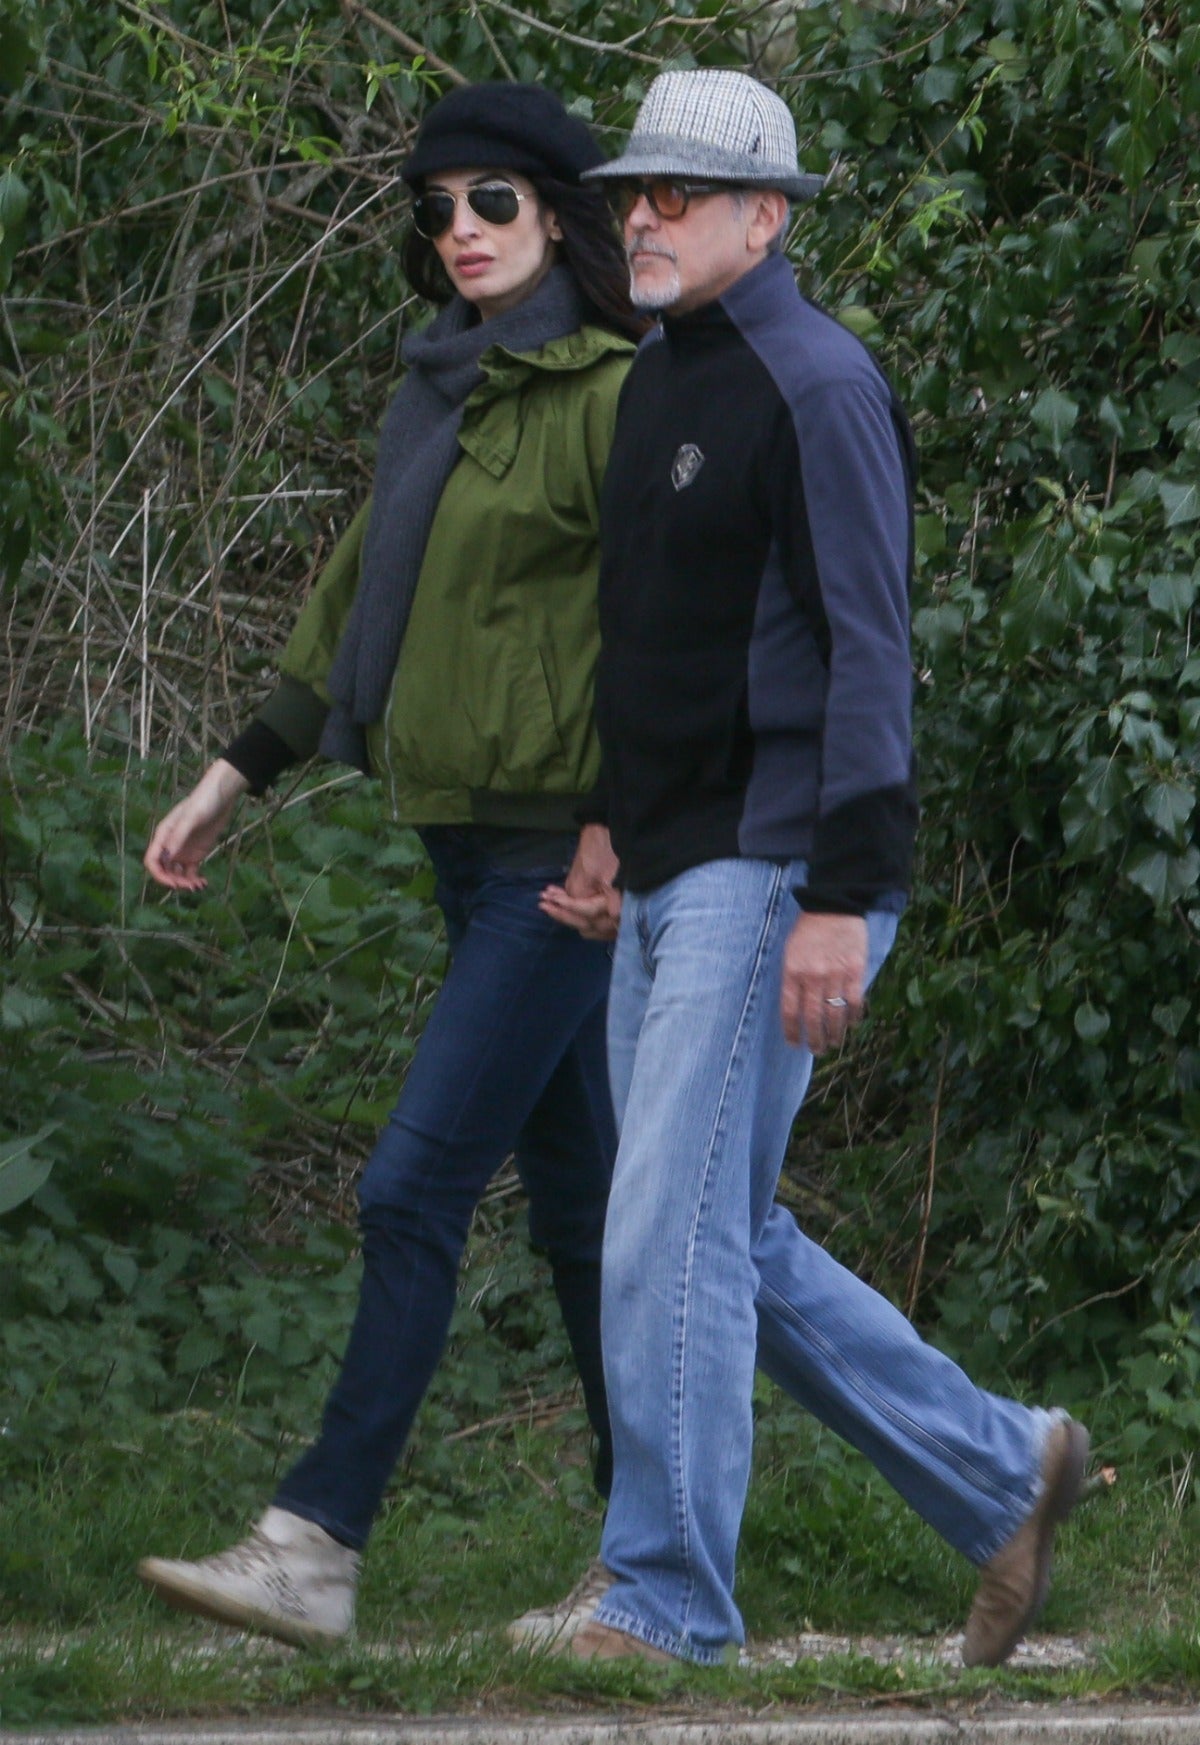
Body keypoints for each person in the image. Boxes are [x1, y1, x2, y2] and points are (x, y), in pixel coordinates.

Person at [538, 68, 1089, 1670]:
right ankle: (1006, 1467)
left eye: (678, 196)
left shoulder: (817, 383)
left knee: (665, 1232)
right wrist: (603, 817)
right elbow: (649, 635)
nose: (640, 215)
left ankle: (664, 1596)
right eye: (633, 190)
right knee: (721, 1230)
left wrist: (847, 890)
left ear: (765, 218)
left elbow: (869, 650)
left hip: (777, 865)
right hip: (670, 861)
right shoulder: (661, 374)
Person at [136, 81, 645, 1649]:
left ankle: (316, 1539)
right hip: (458, 839)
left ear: (556, 210)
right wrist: (238, 773)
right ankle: (669, 1541)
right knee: (578, 1200)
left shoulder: (616, 391)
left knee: (411, 1182)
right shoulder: (444, 388)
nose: (461, 233)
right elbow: (353, 598)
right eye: (435, 211)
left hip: (554, 863)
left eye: (491, 201)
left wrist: (617, 828)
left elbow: (664, 633)